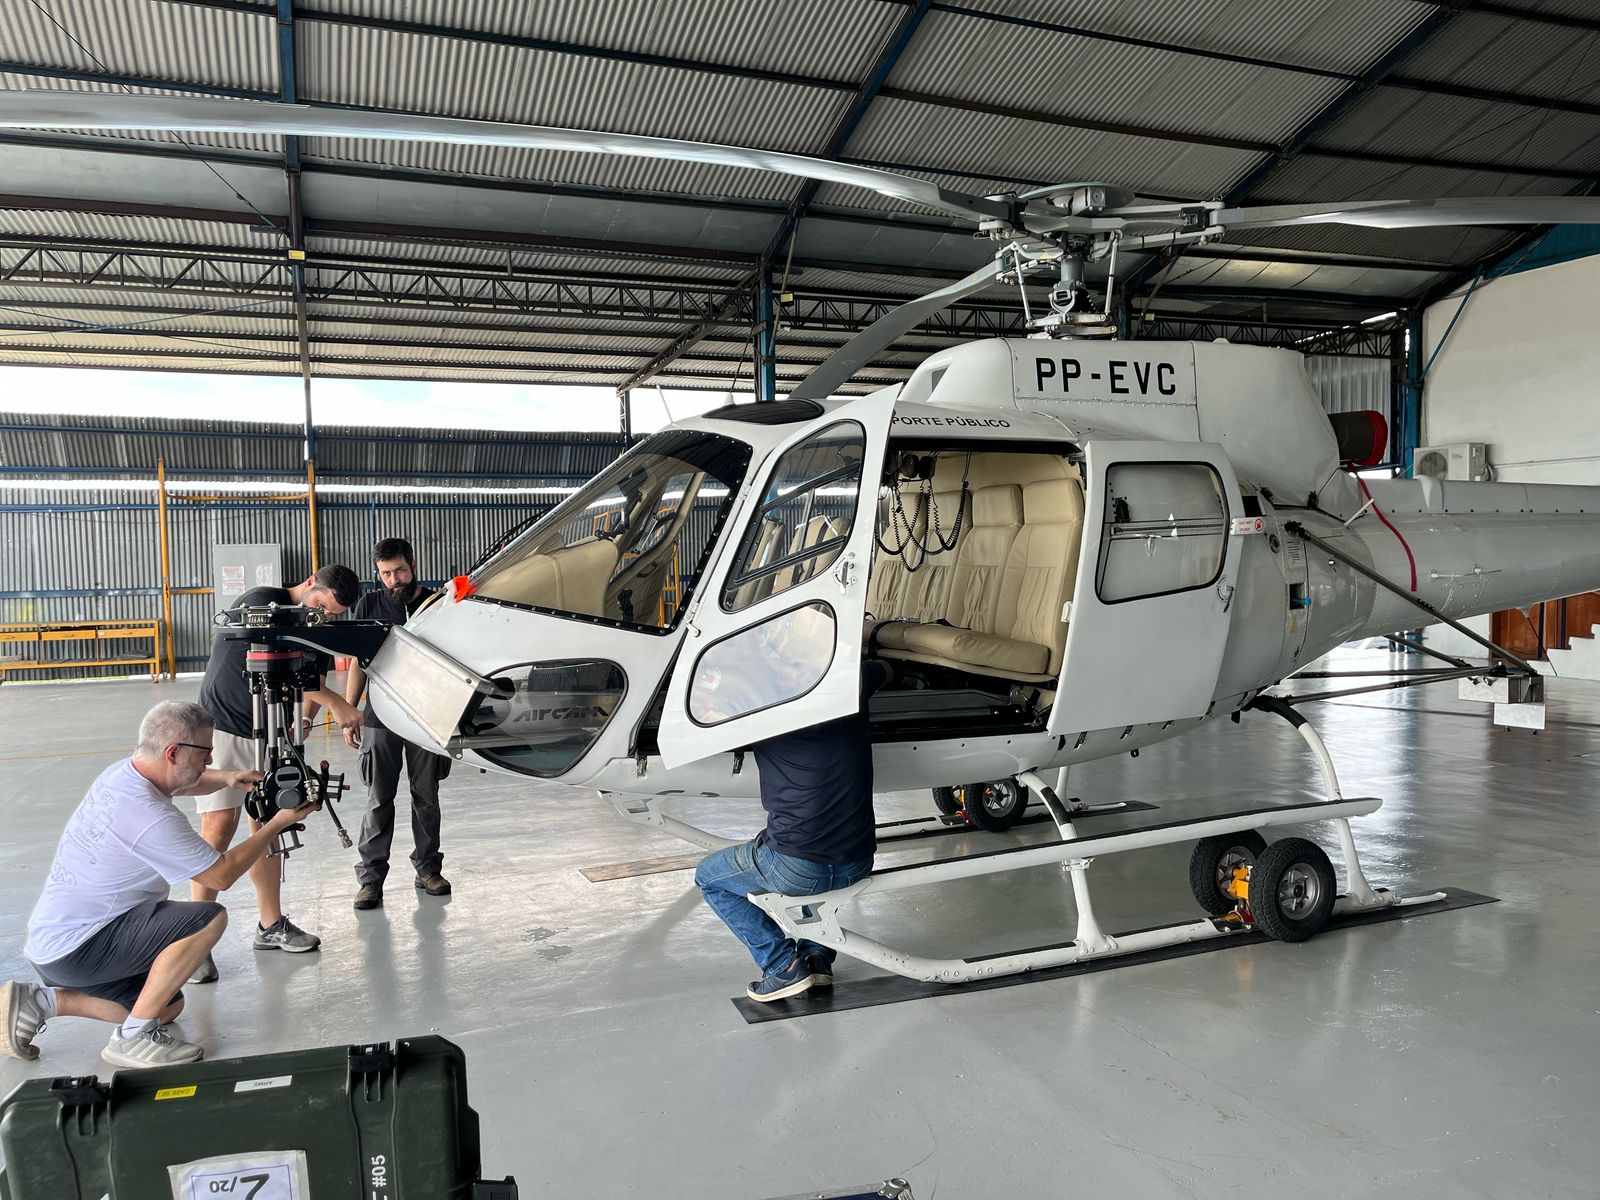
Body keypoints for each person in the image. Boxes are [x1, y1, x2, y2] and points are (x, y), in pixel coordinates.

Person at [1, 701, 317, 1068]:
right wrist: (275, 824)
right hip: (81, 948)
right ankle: (133, 1038)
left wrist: (228, 779)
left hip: (56, 945)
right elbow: (220, 875)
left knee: (168, 1005)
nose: (209, 759)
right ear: (173, 752)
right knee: (208, 917)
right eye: (205, 752)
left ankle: (41, 1001)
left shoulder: (124, 775)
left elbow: (182, 784)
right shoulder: (149, 815)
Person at [187, 564, 363, 984]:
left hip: (270, 730)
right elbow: (271, 662)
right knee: (218, 829)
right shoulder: (262, 601)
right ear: (308, 585)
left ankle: (270, 925)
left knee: (268, 824)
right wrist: (339, 702)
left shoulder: (313, 624)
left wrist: (304, 719)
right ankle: (193, 941)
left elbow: (310, 680)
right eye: (320, 604)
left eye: (332, 614)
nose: (323, 615)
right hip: (227, 726)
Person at [694, 657, 893, 1002]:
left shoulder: (759, 710)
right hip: (858, 860)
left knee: (709, 877)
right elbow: (889, 670)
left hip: (797, 868)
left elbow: (702, 717)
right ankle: (816, 958)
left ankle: (782, 965)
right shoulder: (848, 682)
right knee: (818, 870)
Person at [332, 537, 453, 909]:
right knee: (378, 798)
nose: (394, 579)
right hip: (380, 718)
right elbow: (357, 662)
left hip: (426, 716)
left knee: (426, 796)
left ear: (413, 565)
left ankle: (428, 869)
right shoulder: (369, 604)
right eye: (386, 574)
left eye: (399, 570)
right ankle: (370, 879)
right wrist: (349, 711)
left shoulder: (435, 603)